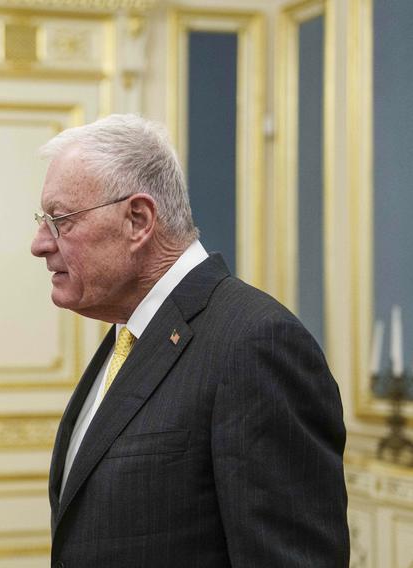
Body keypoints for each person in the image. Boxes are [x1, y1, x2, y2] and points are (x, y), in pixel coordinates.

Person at [31, 114, 349, 566]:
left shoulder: (255, 344)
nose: (40, 243)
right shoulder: (129, 334)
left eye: (60, 220)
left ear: (138, 220)